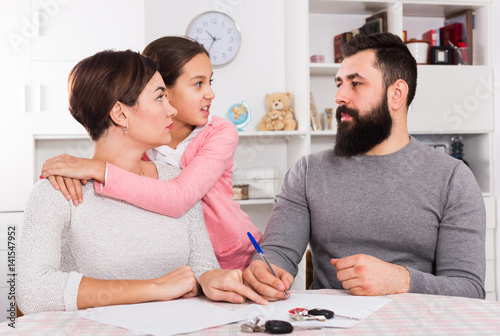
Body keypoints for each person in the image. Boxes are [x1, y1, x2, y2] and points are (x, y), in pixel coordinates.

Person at [17, 49, 266, 315]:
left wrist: (208, 279)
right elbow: (33, 291)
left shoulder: (174, 181)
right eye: (160, 97)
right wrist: (153, 288)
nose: (172, 110)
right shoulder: (58, 191)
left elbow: (201, 267)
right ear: (120, 114)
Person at [243, 32, 486, 300]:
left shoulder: (453, 178)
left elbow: (468, 290)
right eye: (339, 83)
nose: (338, 96)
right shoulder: (307, 172)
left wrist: (400, 280)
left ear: (396, 94)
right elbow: (278, 252)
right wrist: (264, 271)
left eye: (356, 83)